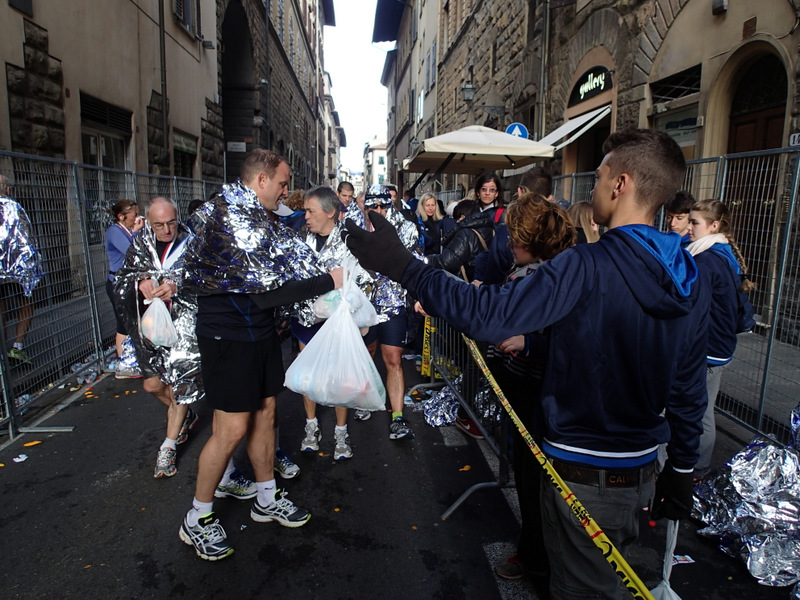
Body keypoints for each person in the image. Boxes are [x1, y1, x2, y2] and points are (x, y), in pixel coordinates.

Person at [343, 128, 709, 599]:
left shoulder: (586, 265)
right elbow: (685, 383)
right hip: (636, 472)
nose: (592, 187)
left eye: (598, 177)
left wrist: (403, 265)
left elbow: (489, 314)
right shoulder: (685, 272)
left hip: (580, 470)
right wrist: (679, 468)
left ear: (621, 185)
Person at [178, 149, 343, 561]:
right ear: (262, 180)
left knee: (267, 414)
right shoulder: (232, 216)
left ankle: (266, 498)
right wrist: (328, 279)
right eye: (284, 184)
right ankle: (196, 518)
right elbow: (267, 291)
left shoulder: (257, 216)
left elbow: (275, 275)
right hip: (228, 337)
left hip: (260, 332)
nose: (287, 193)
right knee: (231, 430)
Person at [488, 194, 576, 581]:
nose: (509, 244)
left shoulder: (555, 278)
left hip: (541, 397)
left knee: (536, 482)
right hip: (523, 390)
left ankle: (537, 562)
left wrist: (529, 342)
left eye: (515, 238)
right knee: (528, 478)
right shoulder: (532, 273)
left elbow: (574, 341)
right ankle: (534, 553)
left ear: (534, 240)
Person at [114, 197, 205, 478]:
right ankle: (185, 415)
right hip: (152, 326)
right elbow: (122, 277)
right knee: (153, 385)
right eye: (159, 225)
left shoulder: (193, 242)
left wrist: (178, 285)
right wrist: (139, 280)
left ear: (178, 218)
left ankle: (168, 446)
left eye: (171, 223)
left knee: (181, 385)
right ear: (148, 222)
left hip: (185, 326)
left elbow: (206, 276)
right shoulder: (141, 244)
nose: (166, 230)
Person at [293, 186, 371, 460]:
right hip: (306, 317)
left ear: (329, 212)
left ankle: (340, 432)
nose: (306, 216)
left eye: (310, 211)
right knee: (307, 373)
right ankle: (311, 427)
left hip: (339, 319)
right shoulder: (301, 238)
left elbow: (364, 277)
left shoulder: (350, 240)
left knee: (340, 374)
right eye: (304, 211)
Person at [685, 199, 754, 479]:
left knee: (698, 412)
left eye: (694, 223)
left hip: (707, 349)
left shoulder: (706, 260)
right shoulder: (721, 254)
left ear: (714, 226)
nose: (689, 228)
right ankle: (696, 467)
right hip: (718, 346)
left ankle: (695, 469)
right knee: (703, 410)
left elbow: (695, 309)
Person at [352, 185, 419, 440]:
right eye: (373, 206)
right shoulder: (353, 229)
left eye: (383, 206)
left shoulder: (405, 228)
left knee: (393, 358)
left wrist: (416, 297)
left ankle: (398, 418)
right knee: (366, 354)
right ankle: (364, 399)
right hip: (362, 304)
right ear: (365, 206)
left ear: (390, 206)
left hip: (393, 302)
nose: (378, 211)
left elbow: (416, 264)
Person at [474, 166, 553, 286]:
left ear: (520, 191)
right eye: (484, 189)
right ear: (550, 198)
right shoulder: (562, 233)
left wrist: (483, 287)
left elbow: (493, 287)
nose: (510, 244)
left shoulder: (505, 233)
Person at [0, 174, 43, 367]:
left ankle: (2, 348)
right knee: (26, 304)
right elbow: (26, 238)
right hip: (18, 269)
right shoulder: (15, 208)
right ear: (7, 189)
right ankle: (17, 346)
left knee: (1, 307)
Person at [106, 199, 145, 368]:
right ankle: (123, 362)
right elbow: (131, 251)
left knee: (132, 319)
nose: (137, 218)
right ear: (121, 216)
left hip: (128, 281)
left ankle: (133, 356)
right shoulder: (114, 232)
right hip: (117, 282)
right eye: (134, 215)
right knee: (122, 322)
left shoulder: (126, 230)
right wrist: (136, 232)